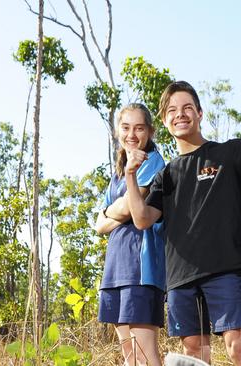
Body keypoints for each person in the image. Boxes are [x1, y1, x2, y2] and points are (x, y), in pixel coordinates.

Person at [123, 79, 241, 366]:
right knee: (195, 357)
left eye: (186, 108)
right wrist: (131, 175)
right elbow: (143, 219)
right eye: (172, 110)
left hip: (224, 270)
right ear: (165, 120)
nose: (179, 114)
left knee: (238, 350)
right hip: (181, 278)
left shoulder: (228, 153)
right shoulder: (165, 175)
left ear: (199, 113)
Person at [94, 103, 165, 366]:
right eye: (126, 127)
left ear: (150, 131)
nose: (132, 134)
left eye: (139, 128)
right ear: (117, 131)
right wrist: (115, 212)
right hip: (116, 267)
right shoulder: (117, 172)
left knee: (146, 355)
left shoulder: (153, 161)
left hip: (141, 268)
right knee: (130, 357)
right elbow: (99, 225)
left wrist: (112, 212)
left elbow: (127, 209)